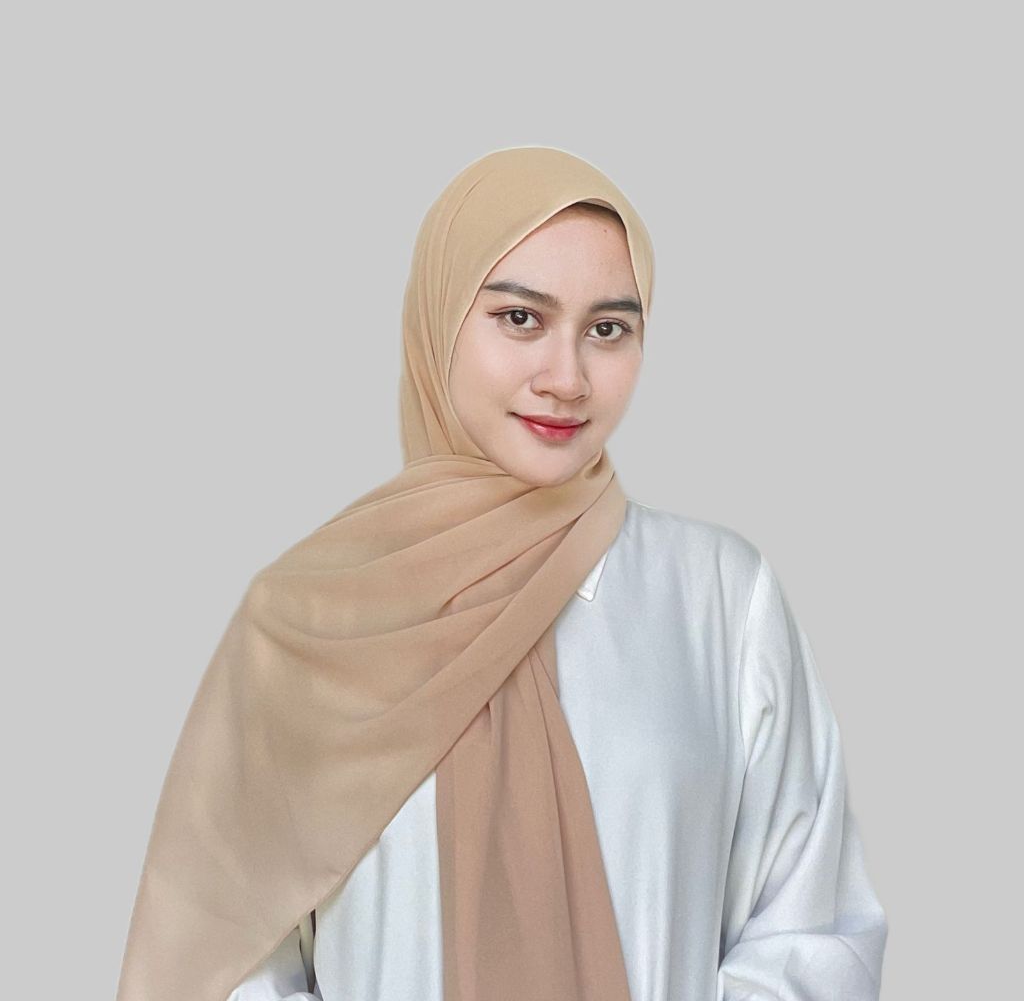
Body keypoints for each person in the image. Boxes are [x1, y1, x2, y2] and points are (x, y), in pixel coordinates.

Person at [116, 146, 888, 1001]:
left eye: (607, 330)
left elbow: (809, 931)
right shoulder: (308, 622)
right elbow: (223, 966)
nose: (567, 378)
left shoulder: (720, 599)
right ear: (439, 320)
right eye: (521, 319)